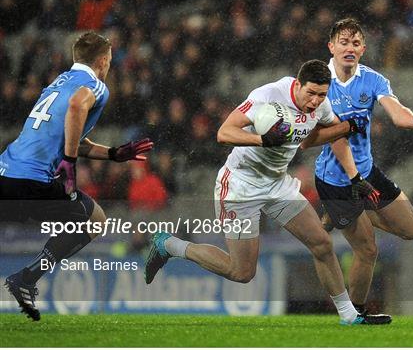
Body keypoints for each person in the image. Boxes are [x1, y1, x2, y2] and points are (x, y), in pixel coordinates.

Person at [145, 59, 370, 325]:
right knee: (241, 272)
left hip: (276, 183)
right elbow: (224, 132)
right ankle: (170, 245)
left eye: (321, 95)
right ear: (297, 85)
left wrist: (353, 169)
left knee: (322, 243)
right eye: (310, 93)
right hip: (241, 185)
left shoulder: (321, 106)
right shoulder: (268, 96)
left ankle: (348, 315)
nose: (315, 101)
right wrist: (261, 140)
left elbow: (314, 139)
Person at [0, 32, 153, 321]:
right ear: (103, 60)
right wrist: (69, 161)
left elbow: (67, 131)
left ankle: (26, 278)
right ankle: (27, 278)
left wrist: (113, 154)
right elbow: (76, 107)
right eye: (108, 60)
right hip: (33, 181)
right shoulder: (95, 85)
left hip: (6, 171)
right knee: (95, 221)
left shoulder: (57, 83)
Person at [306, 18, 413, 324]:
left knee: (412, 230)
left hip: (366, 171)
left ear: (363, 48)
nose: (349, 48)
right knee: (367, 250)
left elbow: (396, 110)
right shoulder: (319, 83)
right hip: (335, 181)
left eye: (355, 43)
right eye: (343, 42)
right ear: (331, 47)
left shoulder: (373, 79)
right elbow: (313, 138)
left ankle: (340, 217)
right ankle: (355, 313)